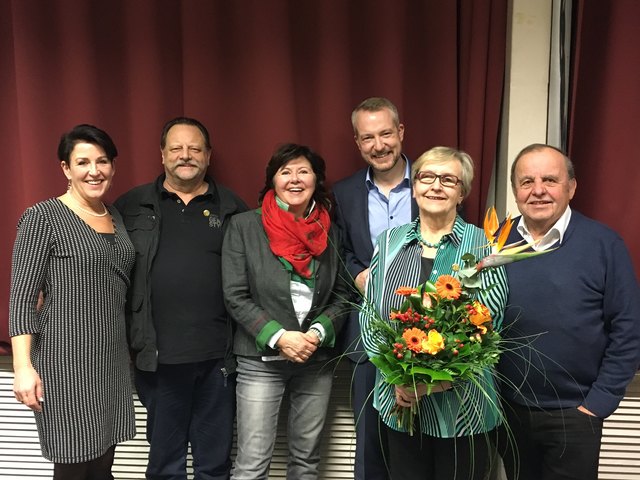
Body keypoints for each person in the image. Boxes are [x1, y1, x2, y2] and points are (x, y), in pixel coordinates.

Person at [360, 146, 508, 480]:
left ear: (462, 192)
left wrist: (430, 383)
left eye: (448, 180)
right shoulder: (389, 242)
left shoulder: (485, 246)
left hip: (463, 412)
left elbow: (490, 327)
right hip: (398, 405)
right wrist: (396, 375)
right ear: (414, 187)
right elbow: (369, 315)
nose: (435, 186)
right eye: (427, 177)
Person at [114, 117, 247, 480]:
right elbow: (102, 266)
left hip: (219, 359)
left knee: (214, 464)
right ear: (162, 155)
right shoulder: (131, 206)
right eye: (176, 148)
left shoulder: (234, 208)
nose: (185, 156)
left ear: (208, 155)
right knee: (164, 465)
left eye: (194, 148)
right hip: (158, 359)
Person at [496, 144, 640, 480]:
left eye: (550, 180)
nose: (538, 190)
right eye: (526, 181)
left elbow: (628, 330)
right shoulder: (495, 242)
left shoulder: (604, 245)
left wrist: (596, 405)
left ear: (571, 187)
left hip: (575, 416)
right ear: (515, 191)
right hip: (508, 412)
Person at [9, 124, 136, 479]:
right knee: (73, 463)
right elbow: (21, 298)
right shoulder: (43, 218)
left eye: (102, 161)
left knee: (102, 464)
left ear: (112, 166)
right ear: (66, 168)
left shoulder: (116, 217)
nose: (94, 171)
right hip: (65, 361)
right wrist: (22, 367)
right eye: (83, 162)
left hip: (110, 359)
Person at [222, 143, 351, 479]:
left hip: (315, 359)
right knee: (252, 464)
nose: (295, 179)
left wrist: (317, 333)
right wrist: (280, 337)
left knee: (306, 461)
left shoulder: (331, 231)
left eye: (303, 171)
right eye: (285, 171)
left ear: (316, 179)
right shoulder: (244, 227)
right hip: (260, 360)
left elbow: (342, 295)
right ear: (273, 180)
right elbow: (235, 295)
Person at [332, 97, 418, 480]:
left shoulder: (432, 180)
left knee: (421, 444)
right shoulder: (344, 192)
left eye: (386, 133)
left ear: (401, 132)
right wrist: (357, 274)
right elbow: (341, 250)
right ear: (357, 142)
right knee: (370, 445)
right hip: (366, 338)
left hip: (429, 334)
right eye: (368, 137)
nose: (379, 145)